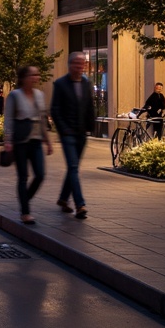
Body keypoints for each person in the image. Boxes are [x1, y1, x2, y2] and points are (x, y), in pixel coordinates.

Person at [3, 65, 53, 224]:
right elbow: (9, 119)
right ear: (24, 78)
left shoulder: (39, 95)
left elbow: (42, 118)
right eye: (33, 75)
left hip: (36, 140)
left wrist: (48, 141)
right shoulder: (14, 96)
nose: (36, 77)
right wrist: (8, 140)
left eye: (37, 75)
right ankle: (25, 211)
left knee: (40, 175)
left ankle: (25, 198)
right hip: (20, 141)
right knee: (23, 176)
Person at [49, 52, 96, 219]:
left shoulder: (86, 83)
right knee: (74, 167)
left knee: (73, 167)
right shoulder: (61, 84)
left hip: (81, 132)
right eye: (77, 63)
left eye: (82, 63)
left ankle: (63, 199)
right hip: (67, 133)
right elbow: (54, 109)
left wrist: (91, 127)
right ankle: (80, 204)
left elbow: (90, 106)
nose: (80, 66)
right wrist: (63, 129)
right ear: (70, 65)